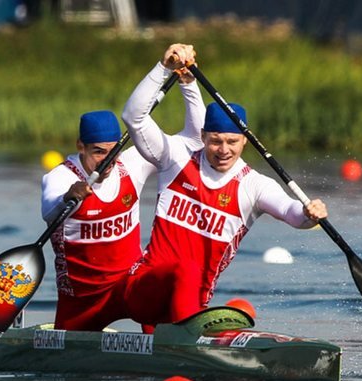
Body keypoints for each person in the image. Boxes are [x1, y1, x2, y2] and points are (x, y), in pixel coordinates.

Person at [121, 44, 328, 331]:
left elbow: (291, 213)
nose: (223, 150)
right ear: (203, 136)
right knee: (186, 268)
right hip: (143, 293)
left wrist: (308, 213)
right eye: (215, 141)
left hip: (189, 306)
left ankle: (177, 336)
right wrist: (163, 68)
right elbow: (133, 117)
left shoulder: (253, 185)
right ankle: (189, 336)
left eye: (232, 142)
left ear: (245, 141)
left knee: (189, 283)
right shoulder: (175, 160)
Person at [41, 67, 205, 331]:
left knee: (181, 270)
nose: (107, 161)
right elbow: (49, 212)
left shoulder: (132, 164)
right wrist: (68, 197)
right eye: (98, 152)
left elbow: (194, 141)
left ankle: (181, 338)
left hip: (129, 287)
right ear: (80, 145)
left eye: (113, 151)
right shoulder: (60, 177)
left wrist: (188, 84)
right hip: (81, 302)